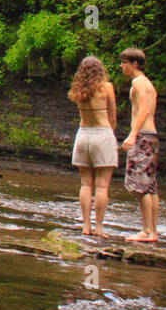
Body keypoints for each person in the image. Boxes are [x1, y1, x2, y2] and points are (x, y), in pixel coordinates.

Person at [68, 55, 118, 238]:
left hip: (83, 135)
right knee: (102, 186)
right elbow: (112, 117)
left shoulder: (78, 89)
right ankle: (98, 228)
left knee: (85, 184)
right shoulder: (106, 88)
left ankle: (85, 226)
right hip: (102, 134)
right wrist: (112, 137)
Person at [119, 47, 160, 242]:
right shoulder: (148, 84)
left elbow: (143, 110)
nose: (121, 66)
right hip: (151, 135)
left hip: (142, 135)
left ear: (134, 64)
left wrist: (131, 136)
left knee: (141, 185)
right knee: (151, 186)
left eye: (124, 62)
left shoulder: (138, 82)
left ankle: (147, 231)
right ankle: (153, 231)